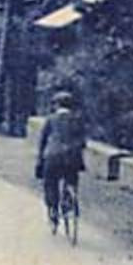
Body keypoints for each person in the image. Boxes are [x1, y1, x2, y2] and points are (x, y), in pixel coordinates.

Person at [36, 91, 87, 231]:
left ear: (56, 105)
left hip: (53, 157)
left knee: (50, 183)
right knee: (71, 179)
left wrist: (39, 159)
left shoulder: (51, 119)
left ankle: (53, 208)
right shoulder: (78, 120)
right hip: (72, 158)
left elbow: (42, 141)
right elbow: (83, 142)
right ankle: (69, 200)